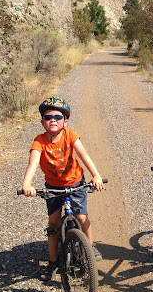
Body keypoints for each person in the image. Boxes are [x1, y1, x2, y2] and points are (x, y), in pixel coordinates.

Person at [21, 96, 105, 281]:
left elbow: (84, 155)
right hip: (53, 187)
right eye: (48, 117)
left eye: (58, 117)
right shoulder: (39, 141)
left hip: (75, 182)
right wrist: (27, 184)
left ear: (65, 121)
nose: (53, 120)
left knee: (81, 217)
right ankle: (53, 262)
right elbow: (33, 163)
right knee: (53, 222)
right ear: (42, 122)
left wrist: (96, 175)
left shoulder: (70, 135)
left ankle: (90, 247)